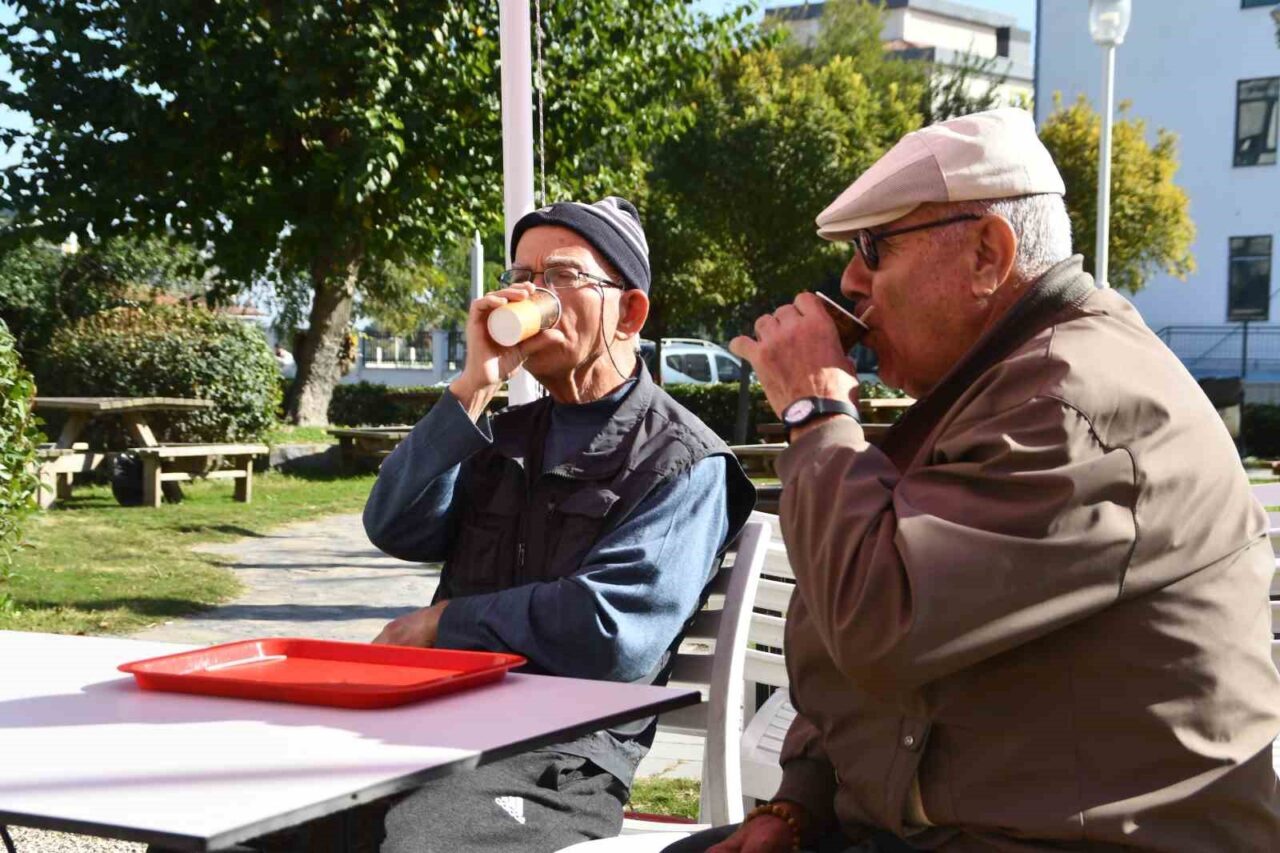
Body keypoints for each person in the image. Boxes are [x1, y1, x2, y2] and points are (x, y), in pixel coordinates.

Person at [670, 108, 1280, 852]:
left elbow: (876, 623)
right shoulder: (995, 389)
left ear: (989, 254)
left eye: (874, 248)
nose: (850, 283)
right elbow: (853, 654)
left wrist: (817, 410)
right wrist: (798, 802)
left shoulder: (1069, 404)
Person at [362, 196, 756, 853]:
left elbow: (613, 631)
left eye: (560, 276)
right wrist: (472, 387)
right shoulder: (502, 435)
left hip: (559, 763)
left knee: (425, 844)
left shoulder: (683, 459)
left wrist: (442, 622)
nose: (531, 293)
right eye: (522, 275)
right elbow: (394, 524)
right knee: (238, 817)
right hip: (438, 723)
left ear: (629, 312)